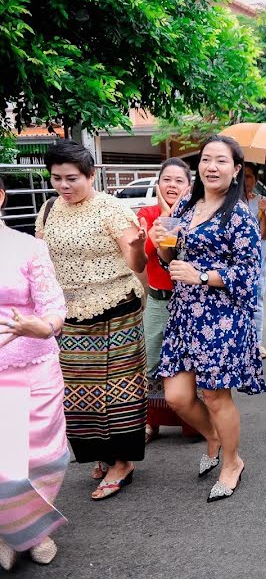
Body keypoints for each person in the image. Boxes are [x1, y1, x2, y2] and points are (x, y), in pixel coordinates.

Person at [153, 135, 266, 503]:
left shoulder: (239, 216)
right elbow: (171, 260)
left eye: (221, 161)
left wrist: (202, 275)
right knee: (177, 396)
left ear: (236, 170)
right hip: (186, 313)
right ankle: (214, 436)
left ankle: (232, 462)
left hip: (221, 317)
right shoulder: (187, 203)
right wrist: (161, 247)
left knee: (217, 397)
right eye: (205, 159)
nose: (211, 167)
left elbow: (249, 274)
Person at [35, 140, 148, 500]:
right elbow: (41, 260)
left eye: (72, 179)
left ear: (91, 175)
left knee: (118, 390)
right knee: (80, 391)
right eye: (57, 179)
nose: (64, 186)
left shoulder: (112, 210)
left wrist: (138, 248)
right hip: (69, 311)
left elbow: (137, 263)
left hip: (116, 307)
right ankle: (100, 452)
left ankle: (122, 462)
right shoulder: (49, 209)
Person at [0, 179, 69, 569]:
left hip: (34, 361)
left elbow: (52, 304)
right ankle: (14, 531)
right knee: (6, 459)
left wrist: (47, 325)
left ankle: (33, 530)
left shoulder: (29, 247)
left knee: (43, 456)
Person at [138, 158, 196, 442]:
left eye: (179, 180)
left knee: (188, 365)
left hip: (190, 303)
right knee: (150, 365)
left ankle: (191, 422)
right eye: (166, 179)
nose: (172, 185)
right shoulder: (147, 213)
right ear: (158, 184)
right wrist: (157, 227)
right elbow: (141, 258)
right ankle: (150, 422)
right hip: (159, 302)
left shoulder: (197, 215)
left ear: (189, 186)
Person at [243, 162, 266, 359]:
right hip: (236, 259)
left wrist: (262, 213)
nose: (245, 180)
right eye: (242, 176)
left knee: (256, 299)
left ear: (255, 179)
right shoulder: (228, 201)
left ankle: (256, 342)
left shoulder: (263, 201)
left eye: (249, 176)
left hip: (258, 257)